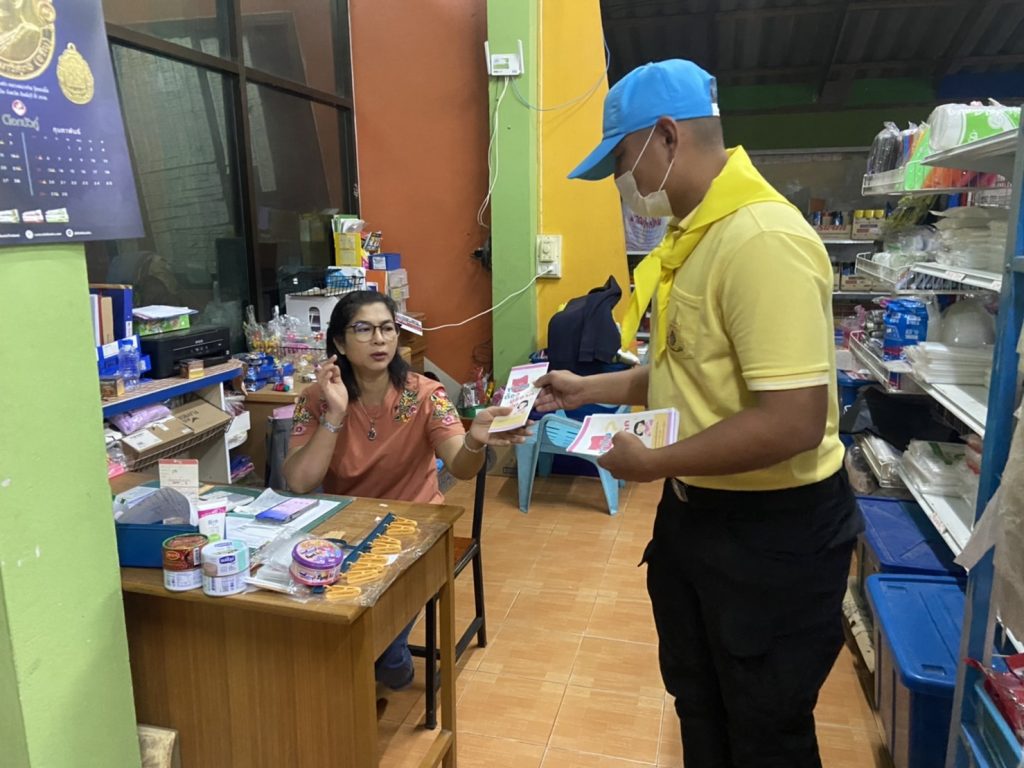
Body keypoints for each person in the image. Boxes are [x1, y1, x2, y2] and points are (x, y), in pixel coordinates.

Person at [535, 59, 862, 768]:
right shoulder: (695, 236)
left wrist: (654, 462)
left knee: (765, 731)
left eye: (621, 160)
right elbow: (687, 370)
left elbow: (793, 421)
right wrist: (589, 388)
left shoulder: (760, 240)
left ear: (666, 137)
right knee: (701, 703)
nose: (621, 182)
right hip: (700, 519)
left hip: (772, 535)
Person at [284, 290, 529, 692]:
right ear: (340, 342)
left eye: (387, 328)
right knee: (312, 613)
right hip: (347, 527)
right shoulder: (317, 398)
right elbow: (299, 481)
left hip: (416, 529)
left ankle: (388, 662)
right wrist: (335, 415)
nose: (379, 339)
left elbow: (461, 468)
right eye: (364, 329)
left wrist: (475, 441)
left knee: (379, 646)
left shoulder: (426, 394)